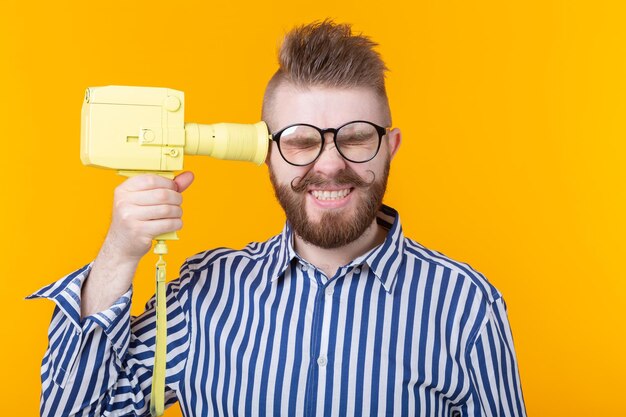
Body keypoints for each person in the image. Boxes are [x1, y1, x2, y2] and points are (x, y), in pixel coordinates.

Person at [29, 20, 527, 416]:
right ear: (265, 154)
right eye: (301, 141)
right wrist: (118, 254)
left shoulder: (467, 307)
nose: (330, 164)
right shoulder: (205, 294)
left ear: (390, 148)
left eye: (355, 137)